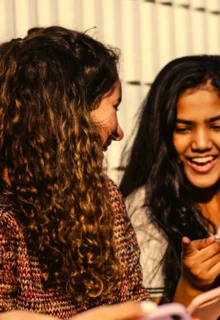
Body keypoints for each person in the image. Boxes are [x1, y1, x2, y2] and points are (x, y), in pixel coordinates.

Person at [0, 26, 149, 319]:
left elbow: (137, 303)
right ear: (72, 116)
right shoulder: (6, 217)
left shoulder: (104, 198)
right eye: (113, 106)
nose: (119, 132)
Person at [119, 55, 220, 306]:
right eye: (183, 128)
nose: (201, 144)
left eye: (217, 126)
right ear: (163, 135)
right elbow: (150, 315)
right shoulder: (146, 210)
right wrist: (192, 286)